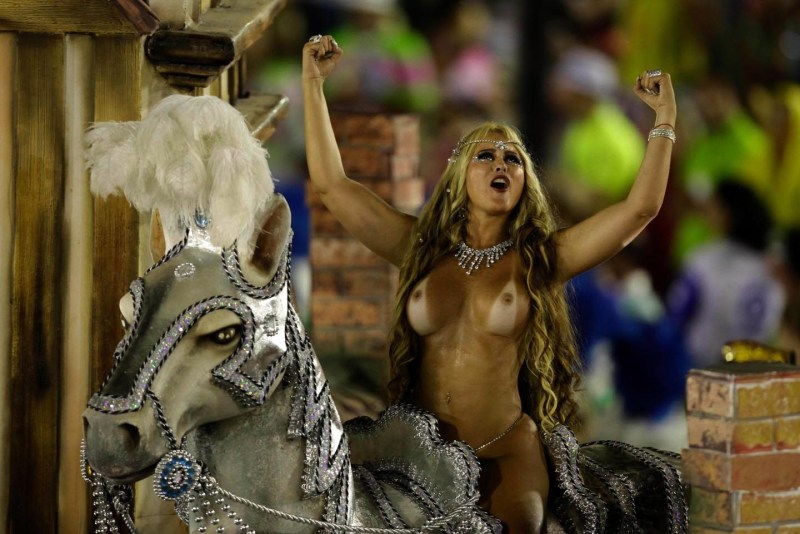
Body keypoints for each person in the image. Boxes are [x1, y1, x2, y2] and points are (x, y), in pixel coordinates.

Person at [302, 34, 677, 533]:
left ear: (525, 182)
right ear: (459, 176)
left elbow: (640, 209)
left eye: (513, 158)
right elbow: (332, 186)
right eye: (486, 156)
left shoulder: (540, 260)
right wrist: (313, 86)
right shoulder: (420, 249)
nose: (501, 163)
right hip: (417, 458)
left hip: (503, 455)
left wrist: (664, 120)